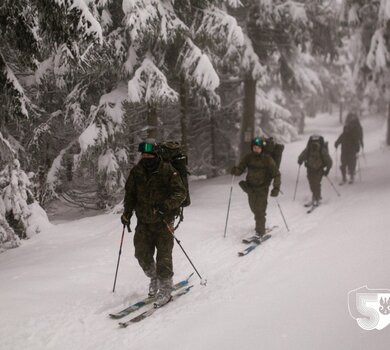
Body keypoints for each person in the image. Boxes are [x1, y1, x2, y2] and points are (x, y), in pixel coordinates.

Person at [121, 138, 187, 307]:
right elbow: (130, 195)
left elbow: (180, 193)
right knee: (141, 255)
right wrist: (127, 213)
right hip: (143, 221)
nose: (146, 157)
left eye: (149, 154)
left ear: (156, 154)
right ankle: (154, 278)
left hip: (164, 220)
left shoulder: (167, 170)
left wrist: (166, 206)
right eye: (144, 155)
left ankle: (165, 288)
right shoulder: (137, 172)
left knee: (164, 256)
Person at [230, 137, 281, 238]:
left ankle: (260, 231)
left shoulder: (267, 159)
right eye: (254, 147)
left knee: (260, 211)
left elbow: (276, 174)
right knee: (253, 208)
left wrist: (276, 188)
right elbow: (240, 169)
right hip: (250, 188)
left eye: (258, 147)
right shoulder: (248, 157)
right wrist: (235, 170)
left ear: (262, 148)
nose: (256, 149)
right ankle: (260, 224)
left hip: (263, 188)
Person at [298, 135, 332, 207]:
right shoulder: (308, 149)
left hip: (319, 169)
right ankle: (315, 196)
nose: (314, 146)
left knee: (316, 183)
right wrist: (300, 160)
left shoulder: (322, 150)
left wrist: (327, 170)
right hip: (310, 169)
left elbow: (329, 161)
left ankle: (317, 197)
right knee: (312, 183)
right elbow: (303, 155)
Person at [335, 112, 364, 184]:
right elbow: (338, 141)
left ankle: (351, 177)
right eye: (345, 129)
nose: (346, 130)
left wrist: (357, 148)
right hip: (344, 152)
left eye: (347, 129)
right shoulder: (343, 135)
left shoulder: (353, 135)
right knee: (343, 165)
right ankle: (344, 177)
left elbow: (356, 141)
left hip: (351, 152)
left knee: (351, 165)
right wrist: (336, 144)